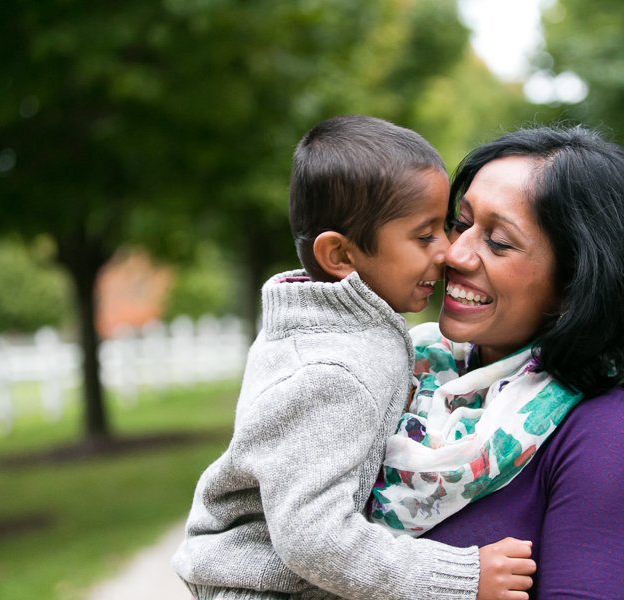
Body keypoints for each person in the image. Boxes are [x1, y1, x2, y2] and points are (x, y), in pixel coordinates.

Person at [171, 115, 536, 600]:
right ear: (341, 256)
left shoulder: (342, 333)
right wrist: (460, 579)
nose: (448, 252)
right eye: (425, 236)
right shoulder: (331, 371)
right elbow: (313, 538)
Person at [372, 125, 624, 599]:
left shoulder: (604, 431)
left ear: (576, 283)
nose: (454, 253)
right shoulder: (391, 370)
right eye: (460, 222)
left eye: (498, 241)